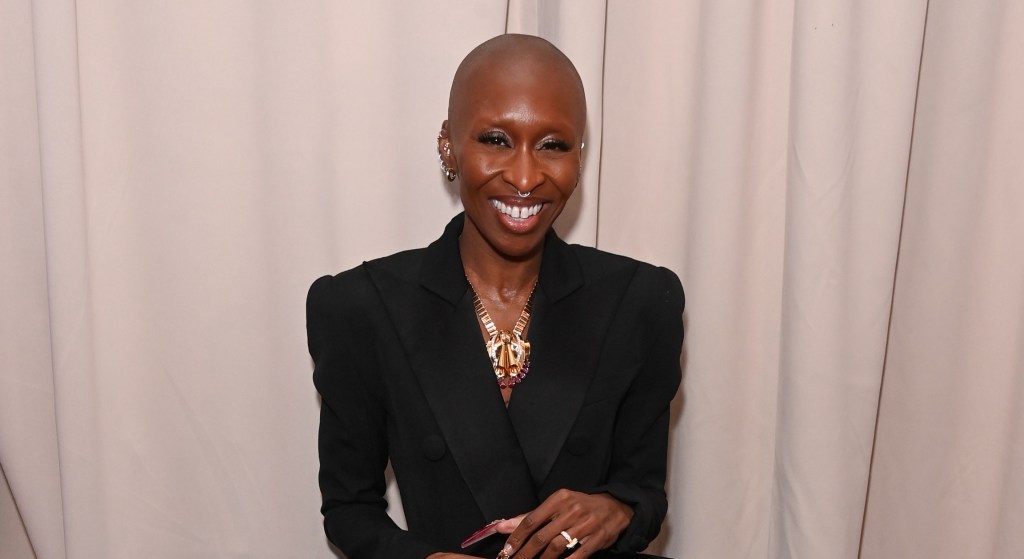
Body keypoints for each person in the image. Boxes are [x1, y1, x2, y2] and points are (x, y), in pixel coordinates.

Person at [307, 34, 684, 559]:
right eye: (496, 140)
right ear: (448, 145)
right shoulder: (361, 307)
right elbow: (349, 508)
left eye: (552, 145)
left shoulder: (641, 302)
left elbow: (643, 491)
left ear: (580, 154)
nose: (526, 177)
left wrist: (615, 510)